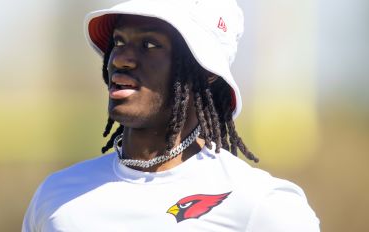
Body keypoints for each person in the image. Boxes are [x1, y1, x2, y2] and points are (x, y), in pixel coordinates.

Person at [22, 0, 320, 231]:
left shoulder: (262, 206)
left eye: (150, 45)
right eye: (119, 41)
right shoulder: (56, 197)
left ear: (204, 73)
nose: (121, 58)